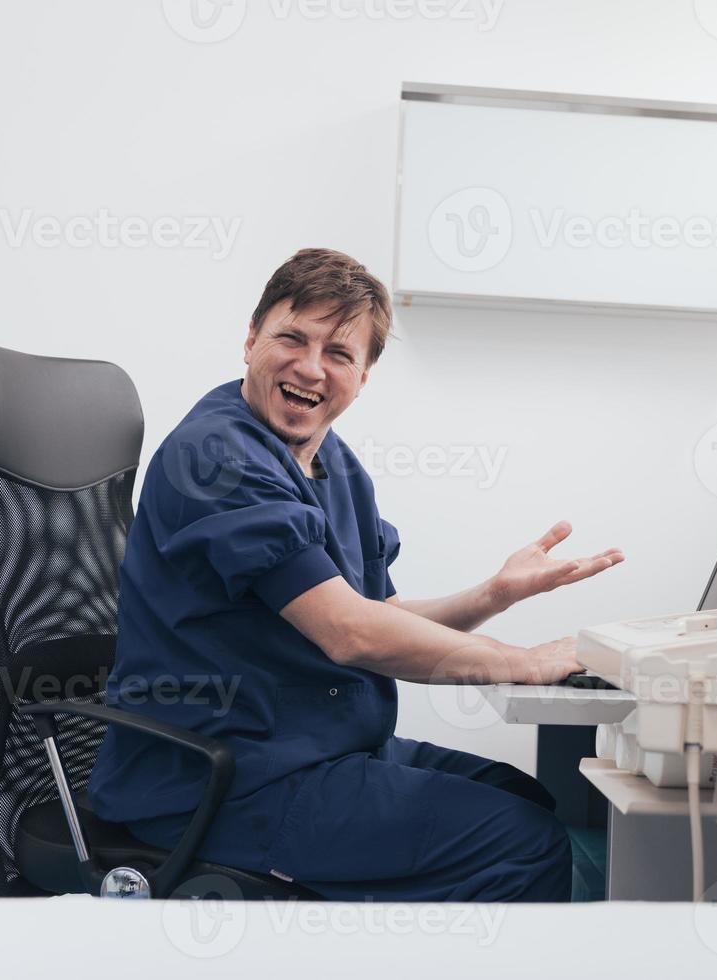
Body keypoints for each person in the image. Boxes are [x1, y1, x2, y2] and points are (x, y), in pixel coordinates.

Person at [87, 248, 623, 901]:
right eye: (291, 338)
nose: (310, 367)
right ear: (251, 339)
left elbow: (378, 614)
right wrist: (516, 661)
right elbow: (351, 635)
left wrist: (493, 594)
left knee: (523, 797)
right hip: (222, 780)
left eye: (339, 354)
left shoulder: (332, 465)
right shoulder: (216, 459)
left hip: (314, 755)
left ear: (363, 376)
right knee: (520, 842)